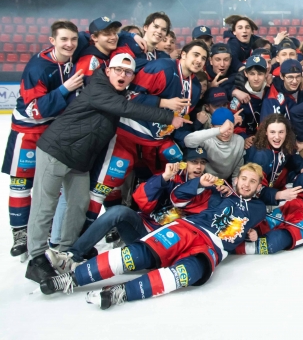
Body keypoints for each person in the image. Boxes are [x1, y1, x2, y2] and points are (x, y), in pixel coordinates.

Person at [24, 54, 184, 282]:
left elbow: (137, 102)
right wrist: (168, 117)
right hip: (56, 150)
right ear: (108, 70)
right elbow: (126, 108)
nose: (122, 75)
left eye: (128, 72)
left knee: (78, 205)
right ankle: (36, 258)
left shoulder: (118, 91)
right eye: (118, 70)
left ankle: (68, 252)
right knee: (44, 204)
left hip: (80, 159)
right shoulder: (98, 87)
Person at [40, 164, 268, 309]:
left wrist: (257, 232)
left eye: (253, 181)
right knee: (135, 255)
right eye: (244, 179)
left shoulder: (257, 208)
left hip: (210, 248)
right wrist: (197, 182)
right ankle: (71, 277)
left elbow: (266, 216)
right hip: (184, 229)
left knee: (186, 274)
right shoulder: (214, 189)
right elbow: (177, 197)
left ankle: (121, 293)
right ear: (236, 180)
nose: (247, 184)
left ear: (258, 187)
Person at [86, 41, 207, 227]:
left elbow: (179, 119)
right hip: (128, 135)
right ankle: (88, 228)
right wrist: (163, 103)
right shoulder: (162, 67)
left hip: (156, 142)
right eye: (195, 55)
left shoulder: (196, 87)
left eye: (203, 58)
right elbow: (130, 97)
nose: (199, 60)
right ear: (183, 55)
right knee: (108, 181)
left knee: (173, 172)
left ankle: (145, 221)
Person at [46, 148, 209, 274]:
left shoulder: (207, 186)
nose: (199, 167)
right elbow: (142, 200)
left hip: (167, 242)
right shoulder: (171, 176)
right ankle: (72, 256)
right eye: (194, 162)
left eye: (202, 162)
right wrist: (163, 178)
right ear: (185, 163)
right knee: (119, 211)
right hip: (145, 230)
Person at [3, 20, 84, 258]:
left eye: (74, 39)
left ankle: (44, 230)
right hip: (28, 131)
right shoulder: (38, 67)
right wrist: (65, 89)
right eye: (63, 39)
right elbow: (34, 109)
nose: (69, 44)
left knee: (50, 185)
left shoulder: (74, 55)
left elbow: (97, 35)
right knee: (21, 184)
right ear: (52, 41)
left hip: (53, 133)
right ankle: (20, 233)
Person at [244, 113, 303, 205]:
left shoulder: (287, 141)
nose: (277, 137)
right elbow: (256, 190)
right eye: (272, 132)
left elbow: (293, 155)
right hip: (267, 193)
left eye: (281, 132)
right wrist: (280, 195)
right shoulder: (260, 156)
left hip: (280, 180)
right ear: (266, 132)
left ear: (286, 132)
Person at [184, 108, 245, 182]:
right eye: (221, 128)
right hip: (205, 180)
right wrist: (219, 130)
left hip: (225, 182)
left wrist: (235, 190)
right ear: (212, 127)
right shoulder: (206, 139)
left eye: (229, 129)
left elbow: (237, 171)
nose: (225, 133)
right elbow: (187, 141)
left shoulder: (239, 141)